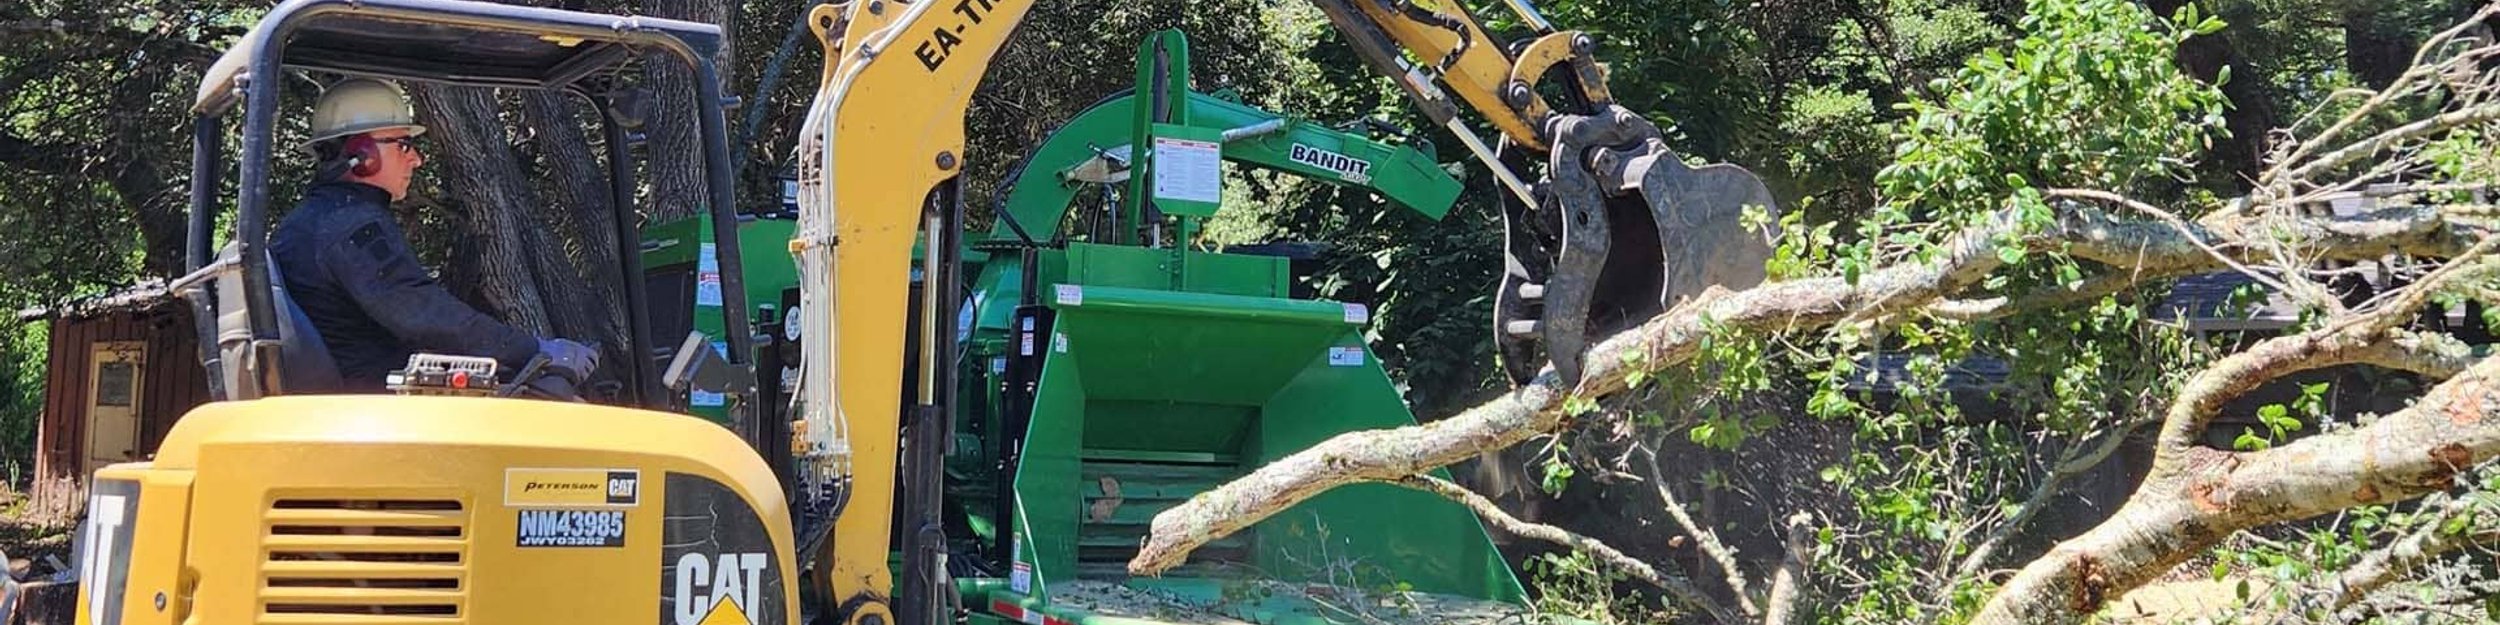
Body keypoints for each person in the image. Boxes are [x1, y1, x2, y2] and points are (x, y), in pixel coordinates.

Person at [269, 78, 597, 393]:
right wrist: (536, 350)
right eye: (404, 145)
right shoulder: (351, 224)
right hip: (377, 412)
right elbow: (422, 314)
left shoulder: (306, 223)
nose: (417, 159)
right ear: (363, 153)